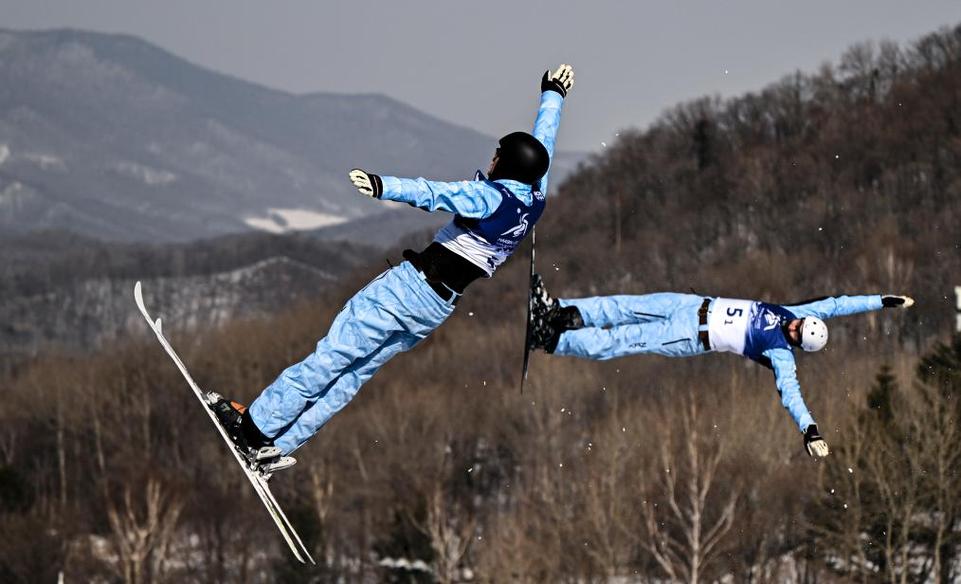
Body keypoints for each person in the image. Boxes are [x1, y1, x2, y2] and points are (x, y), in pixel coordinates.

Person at [210, 65, 575, 474]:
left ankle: (254, 429)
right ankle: (278, 446)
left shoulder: (488, 197)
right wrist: (553, 95)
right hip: (436, 307)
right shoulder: (533, 199)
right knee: (353, 373)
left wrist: (383, 185)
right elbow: (543, 145)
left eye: (497, 156)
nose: (491, 161)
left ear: (506, 166)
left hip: (408, 290)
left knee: (332, 355)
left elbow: (437, 193)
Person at [527, 274, 914, 458]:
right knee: (624, 304)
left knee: (621, 340)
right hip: (691, 304)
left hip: (691, 337)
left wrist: (810, 430)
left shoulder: (781, 354)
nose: (792, 325)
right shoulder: (795, 314)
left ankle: (553, 339)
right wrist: (882, 300)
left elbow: (791, 396)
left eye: (796, 331)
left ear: (798, 343)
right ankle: (557, 312)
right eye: (797, 323)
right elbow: (838, 303)